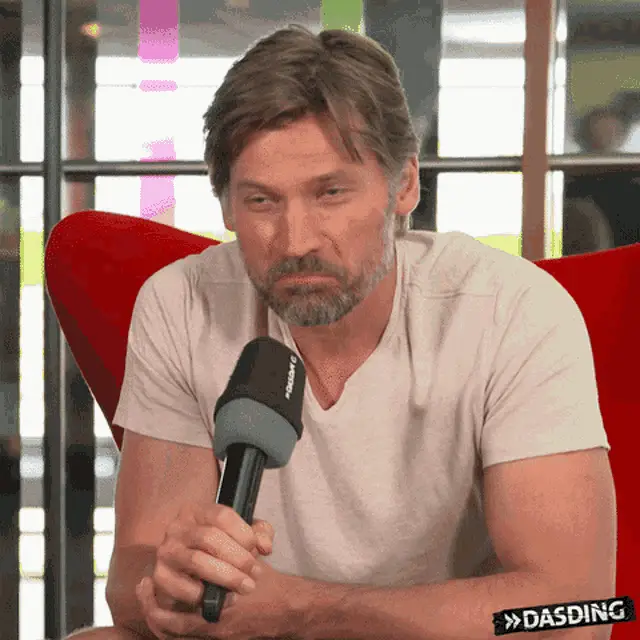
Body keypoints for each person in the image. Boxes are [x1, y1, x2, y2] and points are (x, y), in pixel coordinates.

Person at [66, 24, 616, 640]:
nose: (296, 241)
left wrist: (302, 609)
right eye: (262, 202)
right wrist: (170, 585)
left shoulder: (513, 310)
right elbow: (132, 578)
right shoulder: (181, 303)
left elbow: (577, 615)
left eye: (330, 193)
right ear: (225, 206)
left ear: (403, 185)